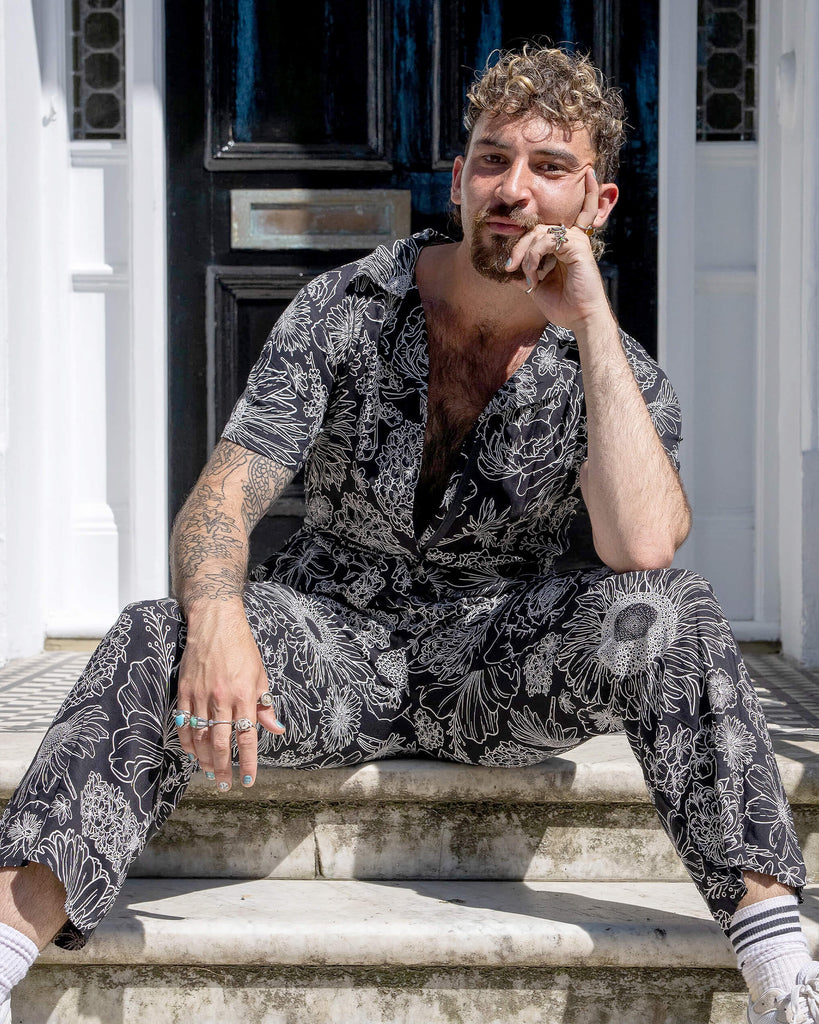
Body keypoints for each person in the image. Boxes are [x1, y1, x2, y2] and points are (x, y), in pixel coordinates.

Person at [0, 43, 815, 1024]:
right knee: (150, 631)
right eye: (491, 159)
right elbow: (223, 496)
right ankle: (6, 947)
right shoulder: (348, 306)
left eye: (549, 168)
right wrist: (215, 612)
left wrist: (588, 318)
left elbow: (640, 545)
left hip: (494, 659)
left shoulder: (619, 369)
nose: (513, 188)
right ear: (462, 177)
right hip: (333, 639)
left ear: (596, 204)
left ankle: (782, 982)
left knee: (668, 608)